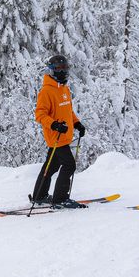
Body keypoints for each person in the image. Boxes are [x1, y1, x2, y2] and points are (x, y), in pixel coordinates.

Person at [31, 54, 87, 208]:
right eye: (58, 68)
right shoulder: (46, 91)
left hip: (64, 135)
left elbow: (68, 111)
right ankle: (60, 199)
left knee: (52, 166)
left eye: (64, 68)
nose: (62, 71)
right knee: (69, 165)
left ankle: (39, 195)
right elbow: (40, 114)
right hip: (55, 135)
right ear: (52, 70)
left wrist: (77, 124)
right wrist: (54, 125)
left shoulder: (64, 89)